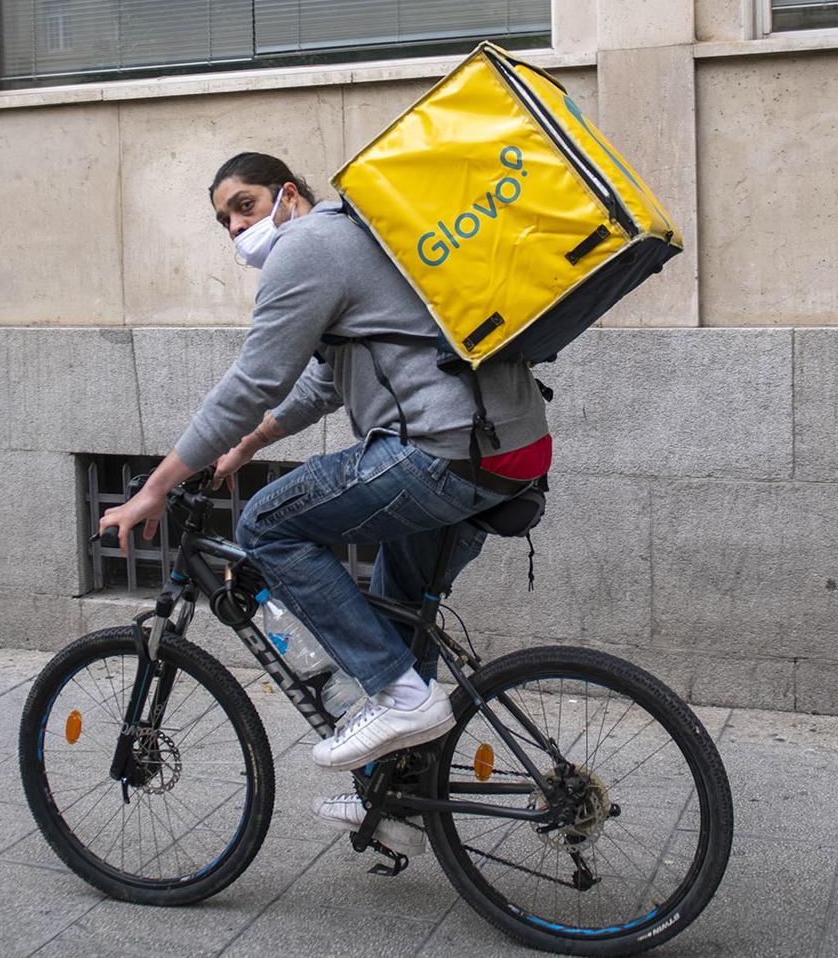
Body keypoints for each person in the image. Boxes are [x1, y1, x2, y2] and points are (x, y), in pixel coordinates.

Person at [97, 151, 551, 852]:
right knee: (399, 621)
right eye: (223, 221)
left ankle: (403, 698)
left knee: (268, 524)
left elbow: (254, 378)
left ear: (287, 194)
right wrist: (246, 446)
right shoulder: (364, 235)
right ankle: (402, 793)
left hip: (439, 450)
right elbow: (324, 382)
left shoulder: (310, 246)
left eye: (243, 206)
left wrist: (156, 487)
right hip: (509, 453)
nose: (236, 227)